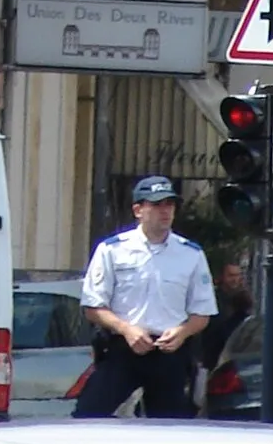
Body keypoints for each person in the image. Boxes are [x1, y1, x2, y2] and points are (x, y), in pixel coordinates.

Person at [76, 174, 214, 418]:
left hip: (169, 352)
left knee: (171, 429)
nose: (165, 211)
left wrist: (181, 333)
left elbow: (202, 313)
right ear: (138, 210)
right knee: (88, 414)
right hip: (124, 349)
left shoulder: (190, 254)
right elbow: (93, 306)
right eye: (157, 204)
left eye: (169, 204)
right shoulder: (113, 250)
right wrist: (126, 330)